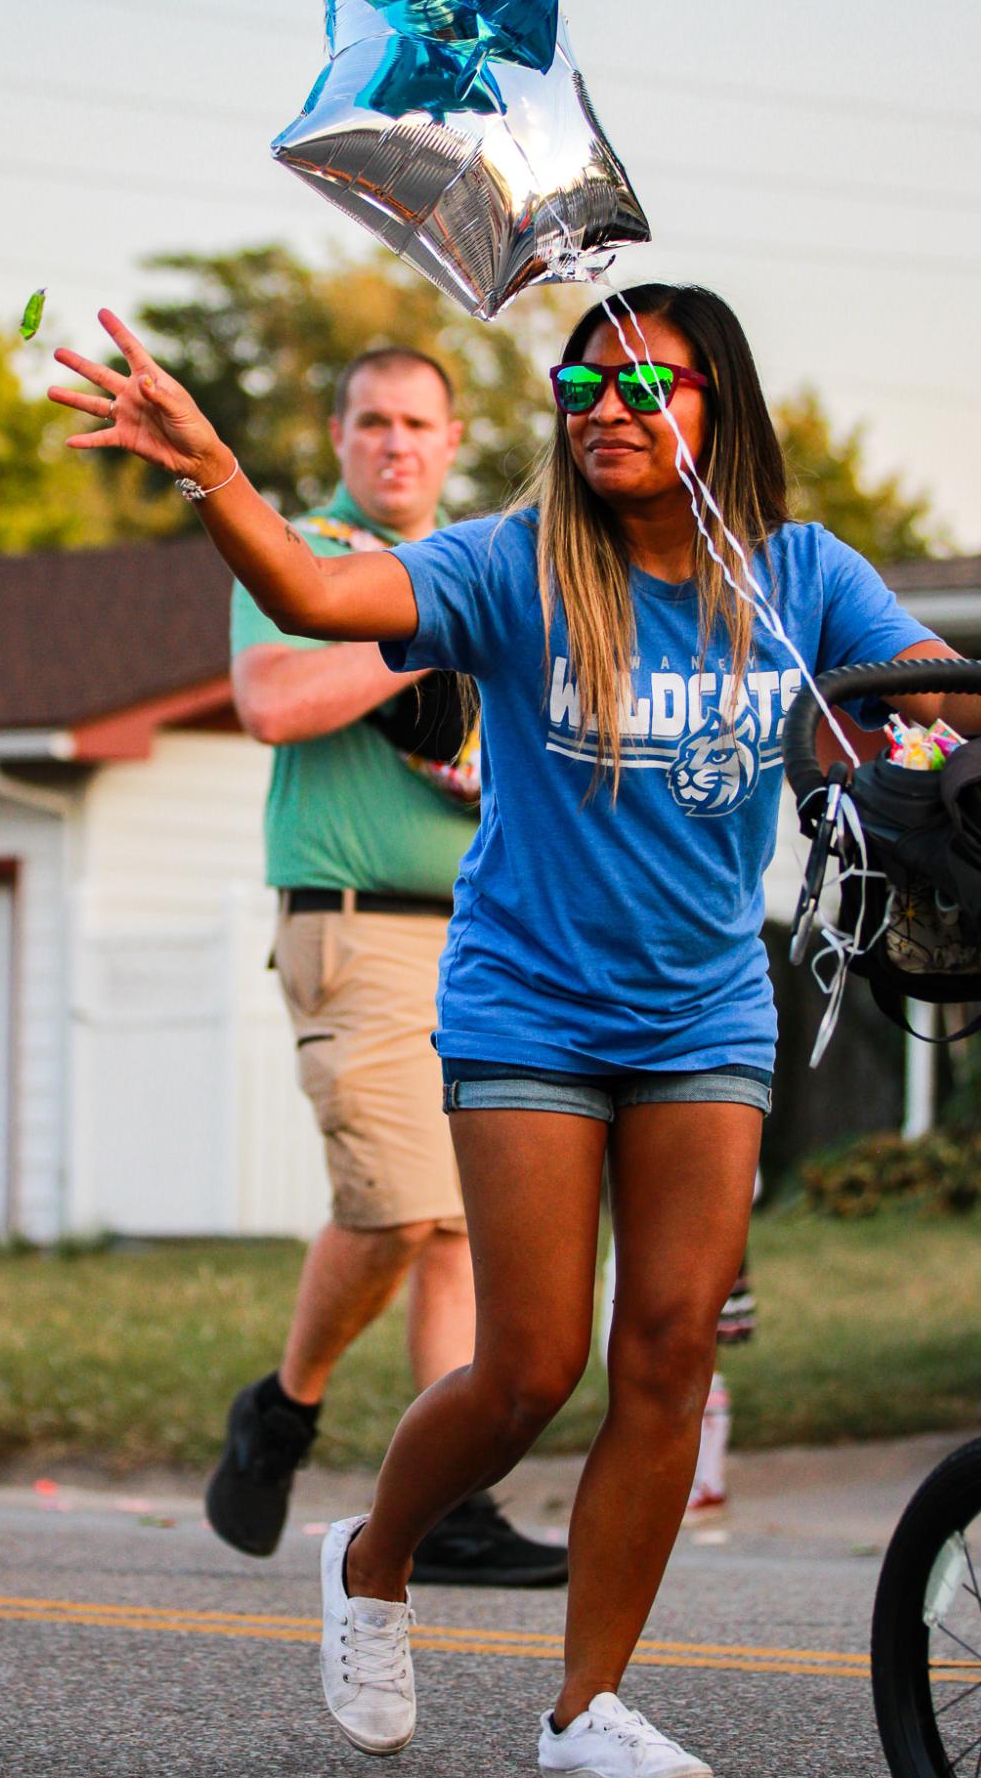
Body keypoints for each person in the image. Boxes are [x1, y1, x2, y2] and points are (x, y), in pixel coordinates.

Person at [51, 283, 981, 1778]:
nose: (602, 406)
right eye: (579, 384)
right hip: (529, 1001)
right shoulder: (512, 565)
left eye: (638, 383)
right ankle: (372, 1557)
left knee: (669, 1355)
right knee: (530, 1365)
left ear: (712, 406)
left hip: (700, 1011)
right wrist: (211, 467)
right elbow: (311, 598)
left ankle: (581, 1709)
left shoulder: (795, 574)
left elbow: (936, 695)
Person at [210, 345, 564, 1587]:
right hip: (349, 921)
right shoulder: (300, 549)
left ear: (453, 438)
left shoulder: (477, 566)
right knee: (399, 1207)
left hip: (476, 931)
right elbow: (270, 700)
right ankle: (285, 1402)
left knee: (466, 1228)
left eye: (418, 423)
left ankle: (455, 1507)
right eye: (372, 422)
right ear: (339, 431)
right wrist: (408, 634)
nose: (395, 443)